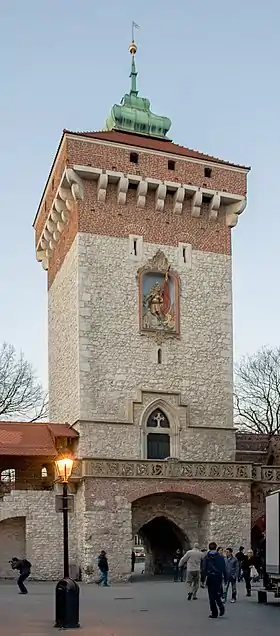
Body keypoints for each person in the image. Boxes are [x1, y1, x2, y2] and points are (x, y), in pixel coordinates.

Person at [203, 542, 227, 619]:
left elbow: (204, 568)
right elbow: (223, 568)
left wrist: (203, 579)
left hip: (210, 577)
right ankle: (220, 605)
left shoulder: (206, 557)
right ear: (216, 548)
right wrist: (225, 578)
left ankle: (214, 612)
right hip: (218, 577)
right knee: (216, 593)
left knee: (211, 595)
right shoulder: (220, 557)